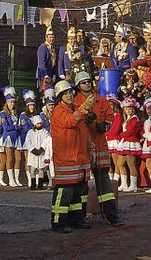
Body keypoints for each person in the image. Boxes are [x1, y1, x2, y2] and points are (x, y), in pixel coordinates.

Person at [73, 70, 122, 224]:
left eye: (88, 81)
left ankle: (111, 216)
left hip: (99, 145)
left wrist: (105, 126)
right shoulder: (75, 102)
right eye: (83, 82)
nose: (86, 84)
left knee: (104, 184)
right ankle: (80, 217)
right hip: (84, 145)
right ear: (78, 86)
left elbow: (110, 118)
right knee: (81, 183)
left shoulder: (101, 100)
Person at [50, 79, 94, 234]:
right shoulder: (59, 111)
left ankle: (76, 219)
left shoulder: (75, 108)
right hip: (66, 159)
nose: (69, 95)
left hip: (80, 159)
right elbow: (71, 121)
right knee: (64, 193)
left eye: (70, 92)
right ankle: (58, 221)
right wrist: (84, 108)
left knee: (79, 193)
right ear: (59, 96)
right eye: (65, 93)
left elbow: (84, 128)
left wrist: (90, 146)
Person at [117, 96, 142, 193]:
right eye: (126, 108)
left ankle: (133, 185)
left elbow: (130, 132)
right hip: (124, 142)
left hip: (130, 142)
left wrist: (121, 134)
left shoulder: (134, 119)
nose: (128, 110)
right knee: (120, 164)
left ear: (133, 109)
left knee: (131, 164)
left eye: (130, 108)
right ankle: (124, 184)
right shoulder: (127, 119)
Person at [0, 86, 23, 187]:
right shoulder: (3, 114)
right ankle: (11, 179)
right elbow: (6, 127)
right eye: (10, 102)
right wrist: (16, 126)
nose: (12, 104)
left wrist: (17, 127)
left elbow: (20, 125)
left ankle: (17, 179)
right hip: (8, 137)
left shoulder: (17, 113)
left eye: (13, 102)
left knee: (18, 158)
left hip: (16, 137)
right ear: (6, 103)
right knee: (9, 158)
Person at [24, 115, 52, 190]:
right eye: (37, 124)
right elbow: (28, 141)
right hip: (33, 154)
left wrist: (42, 149)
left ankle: (40, 184)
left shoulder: (45, 132)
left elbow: (46, 140)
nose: (39, 125)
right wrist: (33, 149)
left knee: (41, 169)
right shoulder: (30, 132)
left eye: (40, 123)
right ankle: (33, 184)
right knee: (32, 169)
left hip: (41, 153)